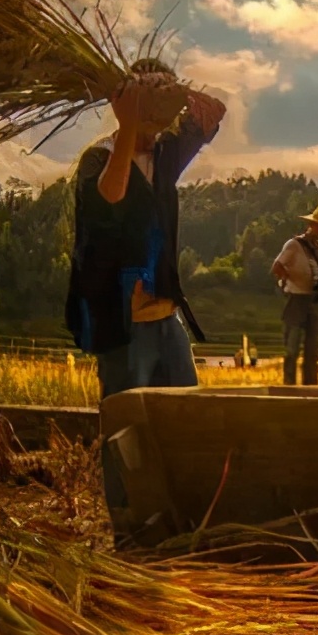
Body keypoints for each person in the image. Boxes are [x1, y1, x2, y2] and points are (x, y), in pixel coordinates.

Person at [64, 58, 225, 528]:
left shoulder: (165, 153)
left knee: (185, 417)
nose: (157, 131)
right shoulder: (101, 158)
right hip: (123, 322)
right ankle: (127, 526)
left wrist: (192, 100)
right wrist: (129, 120)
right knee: (124, 429)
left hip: (166, 317)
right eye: (150, 118)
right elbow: (110, 196)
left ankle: (180, 518)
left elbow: (213, 113)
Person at [270, 203, 318, 385]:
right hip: (296, 298)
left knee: (312, 350)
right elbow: (277, 266)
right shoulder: (294, 244)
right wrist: (288, 279)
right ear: (312, 225)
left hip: (315, 301)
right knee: (291, 348)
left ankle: (311, 387)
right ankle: (289, 387)